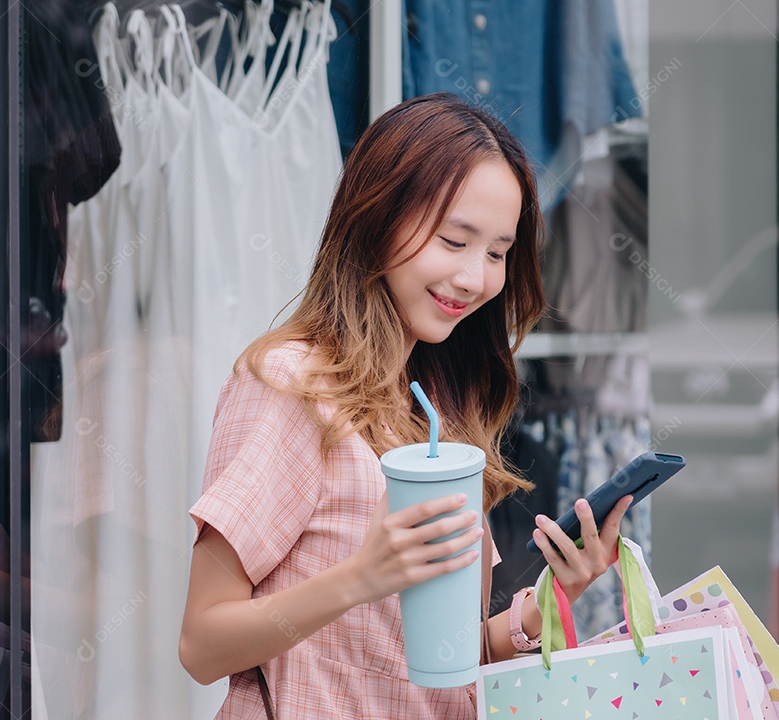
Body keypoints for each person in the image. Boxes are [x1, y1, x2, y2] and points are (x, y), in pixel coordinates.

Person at [178, 93, 633, 719]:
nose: (476, 278)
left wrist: (555, 596)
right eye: (454, 240)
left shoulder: (438, 401)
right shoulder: (293, 386)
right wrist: (361, 578)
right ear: (379, 217)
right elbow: (202, 644)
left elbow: (450, 663)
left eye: (498, 253)